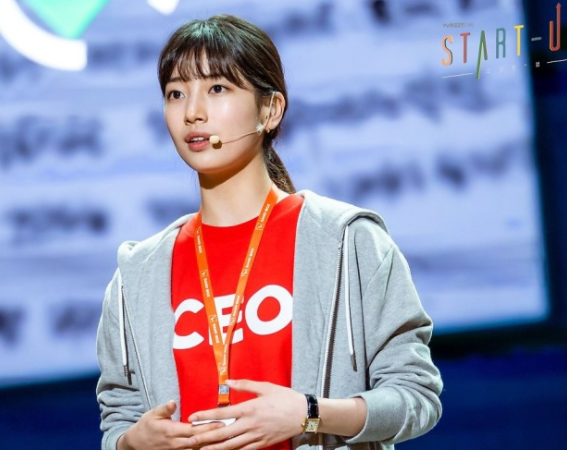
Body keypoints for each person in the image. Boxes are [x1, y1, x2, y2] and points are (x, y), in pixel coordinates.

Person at [96, 14, 442, 450]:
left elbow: (416, 396)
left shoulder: (347, 242)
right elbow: (118, 419)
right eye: (176, 93)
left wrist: (310, 413)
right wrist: (132, 443)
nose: (192, 112)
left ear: (271, 110)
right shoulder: (138, 275)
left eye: (217, 88)